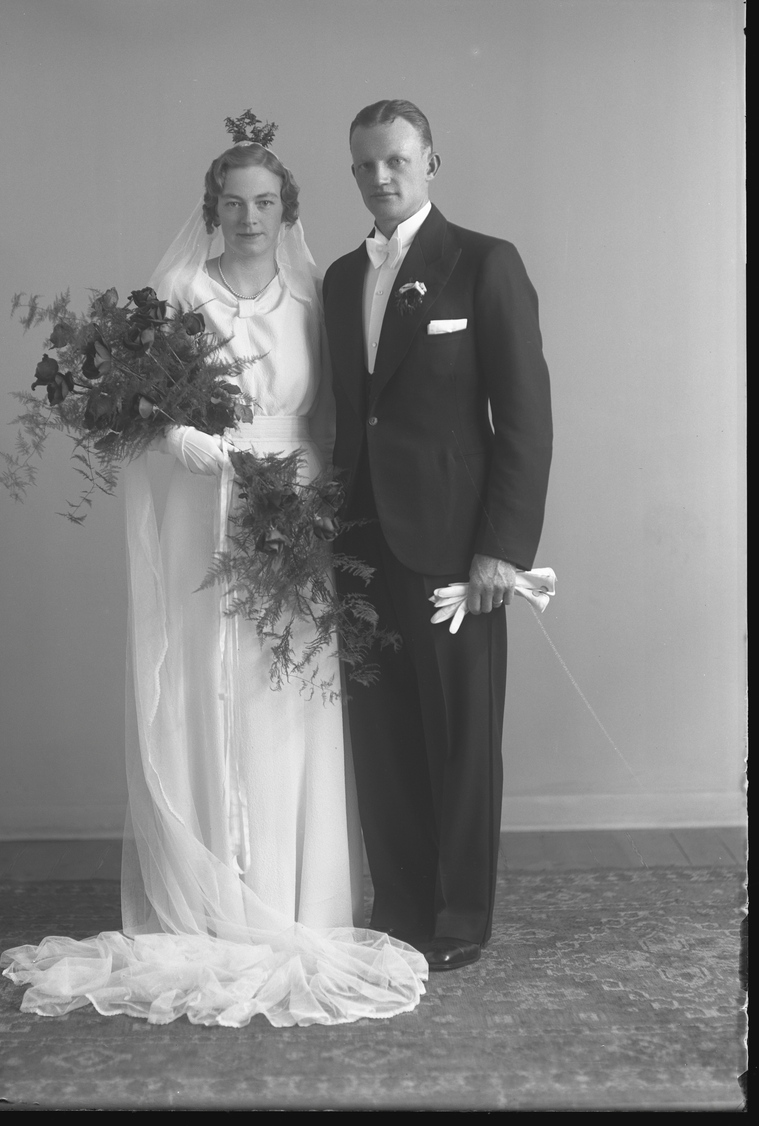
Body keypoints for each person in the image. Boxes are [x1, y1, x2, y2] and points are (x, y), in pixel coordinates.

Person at [0, 131, 427, 1027]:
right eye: (233, 202)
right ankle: (213, 901)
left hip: (294, 509)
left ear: (287, 211)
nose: (249, 217)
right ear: (212, 210)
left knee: (285, 690)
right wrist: (179, 438)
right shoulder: (179, 295)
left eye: (265, 202)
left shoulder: (317, 294)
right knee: (209, 687)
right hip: (205, 509)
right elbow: (131, 407)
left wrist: (317, 504)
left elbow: (340, 412)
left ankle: (294, 899)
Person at [323, 100, 553, 972]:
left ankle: (460, 918)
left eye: (396, 159)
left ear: (431, 162)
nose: (380, 177)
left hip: (457, 550)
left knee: (460, 736)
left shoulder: (486, 263)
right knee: (381, 737)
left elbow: (526, 420)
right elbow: (354, 417)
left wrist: (503, 548)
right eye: (365, 164)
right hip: (358, 541)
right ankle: (400, 906)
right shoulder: (343, 277)